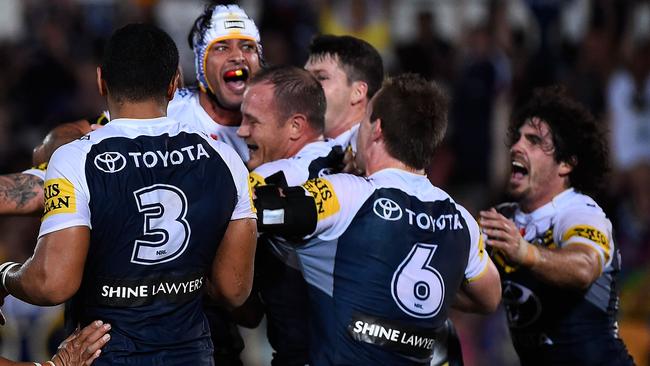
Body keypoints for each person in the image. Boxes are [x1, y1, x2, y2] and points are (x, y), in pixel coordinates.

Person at [0, 23, 256, 366]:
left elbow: (52, 283)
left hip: (103, 353)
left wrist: (5, 274)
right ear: (174, 82)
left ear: (101, 80)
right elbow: (234, 289)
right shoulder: (226, 160)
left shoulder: (76, 158)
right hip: (191, 352)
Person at [255, 74, 501, 364]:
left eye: (365, 118)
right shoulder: (462, 222)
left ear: (377, 129)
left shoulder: (347, 195)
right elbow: (490, 297)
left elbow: (260, 210)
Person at [479, 86, 634, 365]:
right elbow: (473, 297)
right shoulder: (502, 220)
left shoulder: (580, 212)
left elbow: (584, 267)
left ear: (565, 164)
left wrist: (524, 252)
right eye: (517, 138)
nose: (516, 146)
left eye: (534, 141)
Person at [235, 65, 336, 365]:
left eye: (253, 121)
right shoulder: (353, 164)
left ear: (295, 126)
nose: (241, 131)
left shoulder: (272, 179)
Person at [304, 34, 383, 152]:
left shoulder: (380, 154)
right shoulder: (297, 149)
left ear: (358, 92)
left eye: (321, 77)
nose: (304, 86)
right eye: (304, 77)